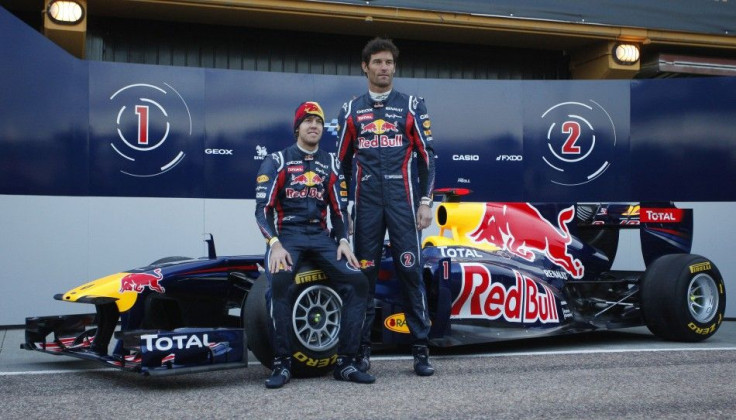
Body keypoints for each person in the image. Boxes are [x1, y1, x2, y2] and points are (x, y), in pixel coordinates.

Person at [255, 101, 376, 389]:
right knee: (281, 281)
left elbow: (338, 211)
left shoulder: (331, 163)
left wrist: (344, 239)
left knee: (358, 282)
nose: (313, 126)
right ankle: (282, 363)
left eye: (318, 122)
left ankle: (345, 363)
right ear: (297, 127)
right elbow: (262, 210)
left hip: (322, 237)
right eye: (308, 121)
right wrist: (274, 244)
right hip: (288, 235)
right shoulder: (277, 160)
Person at [336, 37, 436, 376]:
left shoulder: (412, 105)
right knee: (364, 276)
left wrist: (425, 201)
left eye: (389, 62)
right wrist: (345, 209)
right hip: (365, 205)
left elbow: (427, 157)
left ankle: (421, 349)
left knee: (410, 270)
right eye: (377, 62)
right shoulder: (350, 110)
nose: (384, 68)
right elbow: (340, 163)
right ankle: (361, 352)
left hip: (404, 202)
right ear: (365, 66)